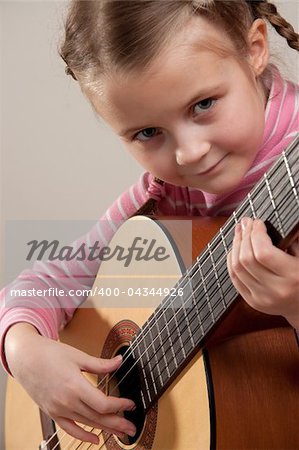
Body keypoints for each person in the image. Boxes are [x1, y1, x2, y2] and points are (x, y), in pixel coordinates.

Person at [1, 0, 298, 446]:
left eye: (203, 105)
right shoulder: (162, 197)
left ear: (255, 49)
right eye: (147, 133)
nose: (188, 152)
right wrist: (23, 349)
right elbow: (53, 276)